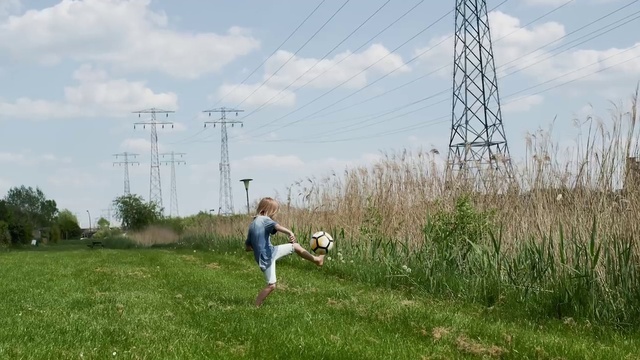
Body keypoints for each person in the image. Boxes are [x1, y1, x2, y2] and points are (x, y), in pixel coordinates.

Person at [245, 197, 324, 307]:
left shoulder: (253, 224)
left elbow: (248, 247)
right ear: (264, 211)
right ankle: (256, 305)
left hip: (268, 253)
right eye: (273, 213)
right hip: (268, 257)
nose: (273, 217)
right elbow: (277, 227)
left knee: (295, 246)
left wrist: (258, 246)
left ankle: (317, 260)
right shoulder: (264, 219)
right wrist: (290, 232)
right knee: (271, 285)